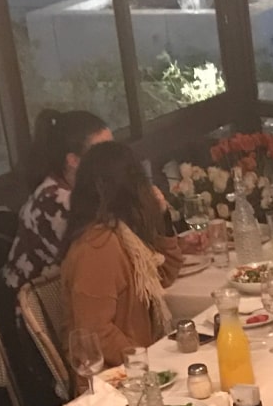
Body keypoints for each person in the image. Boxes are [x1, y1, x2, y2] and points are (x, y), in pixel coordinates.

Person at [60, 139, 182, 368]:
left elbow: (164, 275)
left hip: (141, 360)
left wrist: (163, 217)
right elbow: (96, 334)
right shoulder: (96, 247)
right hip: (117, 379)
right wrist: (148, 362)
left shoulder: (124, 234)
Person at [3, 108, 111, 290]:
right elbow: (99, 257)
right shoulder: (54, 202)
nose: (112, 158)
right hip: (40, 309)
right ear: (73, 160)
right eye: (103, 152)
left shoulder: (81, 190)